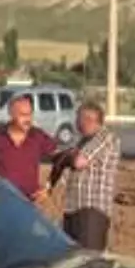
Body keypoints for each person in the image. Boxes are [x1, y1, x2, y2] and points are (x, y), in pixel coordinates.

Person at [48, 101, 122, 250]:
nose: (76, 124)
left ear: (87, 119)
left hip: (91, 211)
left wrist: (64, 156)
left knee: (89, 261)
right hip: (74, 209)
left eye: (78, 119)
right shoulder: (83, 141)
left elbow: (78, 162)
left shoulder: (105, 137)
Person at [0, 93, 59, 202]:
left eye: (30, 114)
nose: (28, 119)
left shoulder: (38, 136)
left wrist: (48, 187)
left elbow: (60, 159)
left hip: (29, 201)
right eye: (23, 115)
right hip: (0, 199)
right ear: (11, 114)